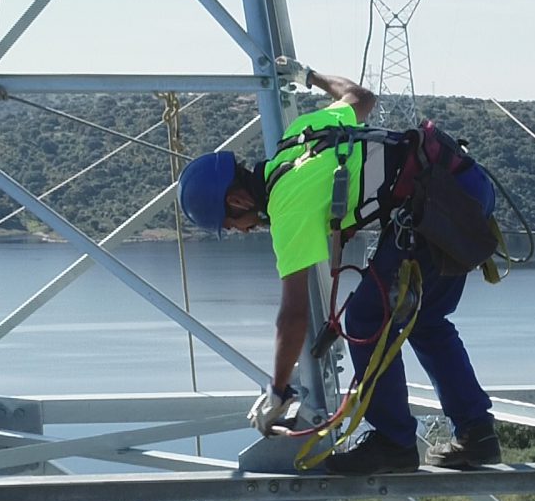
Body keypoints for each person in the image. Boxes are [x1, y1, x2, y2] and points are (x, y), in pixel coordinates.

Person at [177, 67, 501, 474]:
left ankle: (394, 441)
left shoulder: (286, 204)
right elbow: (361, 97)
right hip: (460, 190)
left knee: (367, 317)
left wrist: (277, 390)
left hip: (435, 207)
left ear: (239, 200)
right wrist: (309, 75)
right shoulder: (301, 135)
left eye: (229, 223)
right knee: (427, 320)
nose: (238, 230)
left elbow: (293, 315)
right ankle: (477, 433)